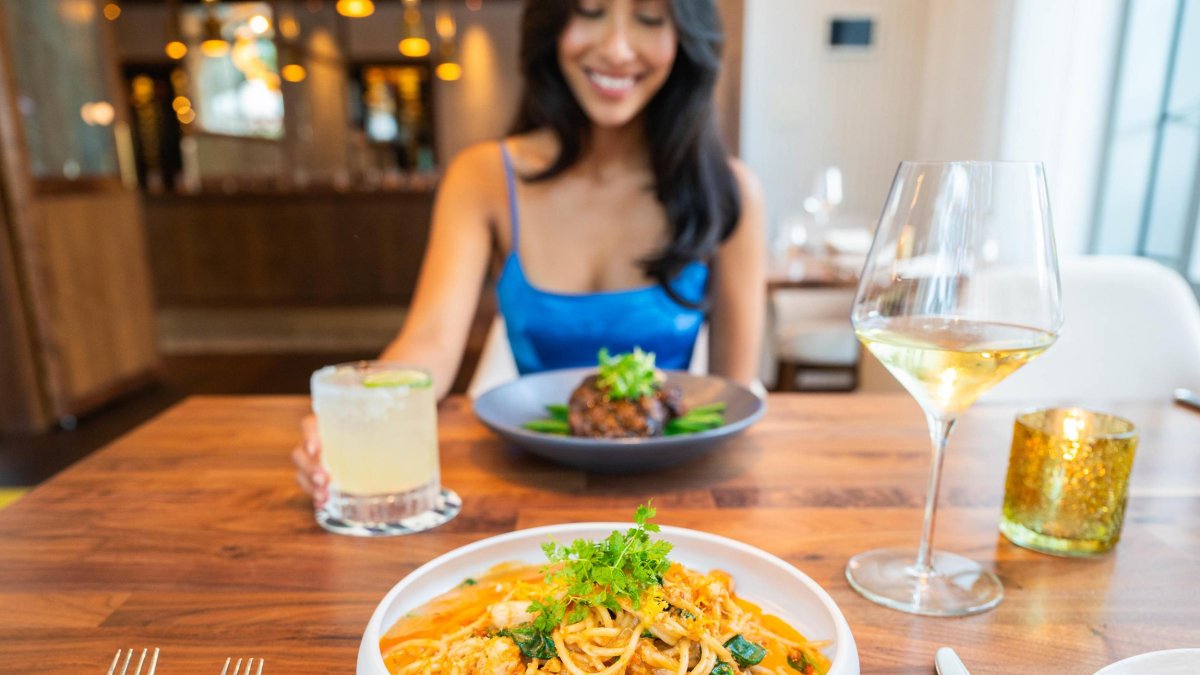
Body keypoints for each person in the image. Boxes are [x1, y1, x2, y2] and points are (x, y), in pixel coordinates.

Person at [294, 0, 765, 500]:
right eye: (588, 10)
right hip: (528, 486)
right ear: (553, 23)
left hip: (675, 489)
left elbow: (730, 395)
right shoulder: (483, 177)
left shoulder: (730, 190)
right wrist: (353, 415)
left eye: (650, 19)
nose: (616, 48)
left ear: (688, 39)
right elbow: (429, 344)